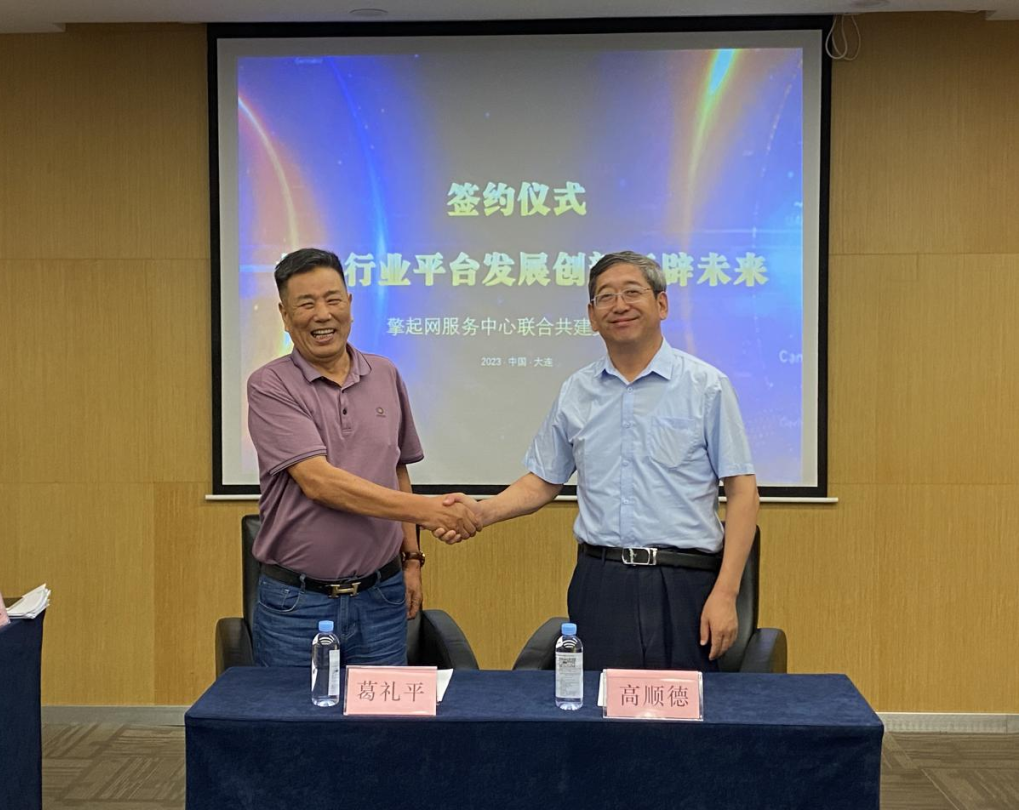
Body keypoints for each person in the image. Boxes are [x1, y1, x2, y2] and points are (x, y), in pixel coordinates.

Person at [440, 251, 759, 672]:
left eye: (632, 292)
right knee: (599, 705)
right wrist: (480, 514)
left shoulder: (706, 386)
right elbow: (542, 482)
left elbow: (742, 491)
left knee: (684, 710)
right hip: (601, 581)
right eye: (605, 297)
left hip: (685, 583)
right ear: (592, 316)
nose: (619, 305)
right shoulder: (577, 391)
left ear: (662, 304)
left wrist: (726, 593)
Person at [247, 248, 481, 668]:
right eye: (306, 303)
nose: (323, 314)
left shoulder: (385, 374)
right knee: (292, 713)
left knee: (383, 710)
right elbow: (320, 482)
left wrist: (412, 559)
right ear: (284, 315)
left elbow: (397, 468)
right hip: (297, 605)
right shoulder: (270, 386)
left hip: (381, 598)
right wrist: (430, 511)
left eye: (333, 299)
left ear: (350, 304)